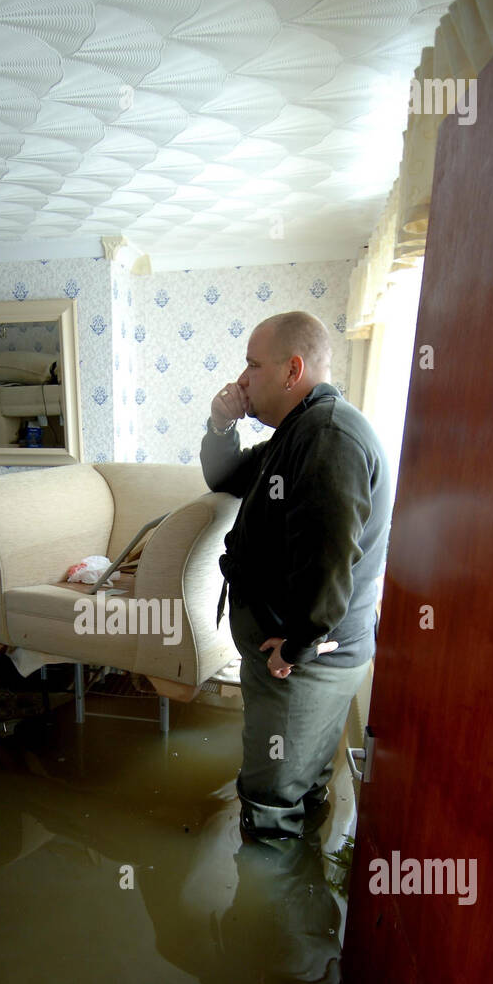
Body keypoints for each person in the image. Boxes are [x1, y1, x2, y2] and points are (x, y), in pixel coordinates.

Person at [200, 311, 391, 842]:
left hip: (300, 663)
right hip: (300, 655)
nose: (241, 379)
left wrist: (298, 646)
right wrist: (220, 425)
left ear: (292, 371)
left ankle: (263, 914)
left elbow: (330, 559)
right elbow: (225, 476)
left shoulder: (326, 436)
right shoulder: (301, 429)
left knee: (270, 796)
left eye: (252, 365)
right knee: (302, 778)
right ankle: (302, 892)